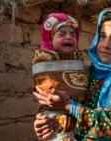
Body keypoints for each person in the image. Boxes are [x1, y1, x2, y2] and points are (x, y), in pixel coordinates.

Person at [33, 9, 111, 141]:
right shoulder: (85, 74)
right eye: (102, 36)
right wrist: (46, 124)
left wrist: (68, 105)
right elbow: (66, 112)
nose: (106, 45)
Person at [32, 12, 87, 141]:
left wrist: (67, 104)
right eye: (61, 34)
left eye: (73, 34)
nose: (68, 37)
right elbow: (50, 96)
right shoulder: (43, 63)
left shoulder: (84, 67)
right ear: (50, 40)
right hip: (55, 128)